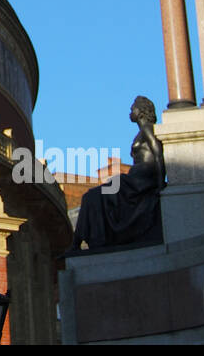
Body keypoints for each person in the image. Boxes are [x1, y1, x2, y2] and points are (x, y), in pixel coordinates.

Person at [69, 96, 166, 252]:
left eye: (132, 108)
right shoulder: (142, 132)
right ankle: (80, 242)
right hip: (133, 181)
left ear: (141, 111)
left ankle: (77, 244)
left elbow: (159, 155)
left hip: (140, 183)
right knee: (93, 197)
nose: (130, 112)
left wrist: (161, 186)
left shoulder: (148, 129)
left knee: (92, 197)